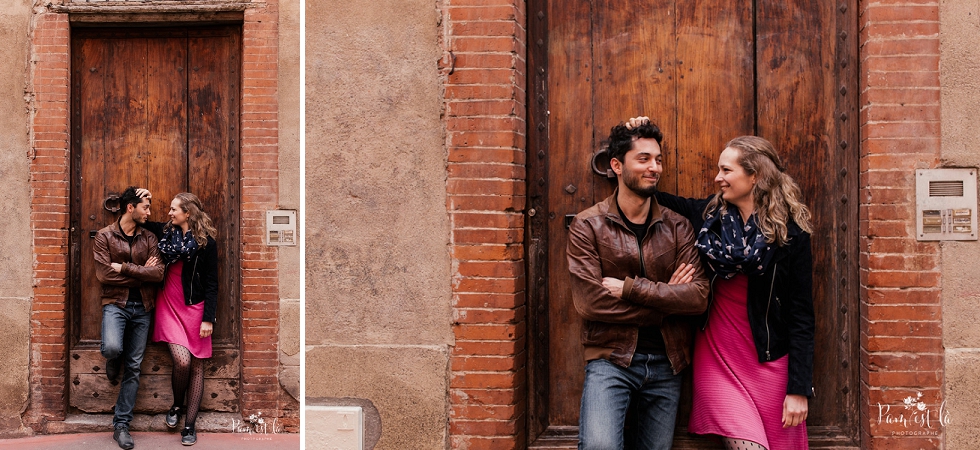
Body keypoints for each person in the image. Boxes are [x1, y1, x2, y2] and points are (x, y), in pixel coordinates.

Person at [628, 117, 815, 450]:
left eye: (727, 170)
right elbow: (650, 192)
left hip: (769, 361)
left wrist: (799, 388)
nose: (718, 178)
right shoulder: (708, 217)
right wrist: (636, 135)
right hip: (718, 358)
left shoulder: (791, 235)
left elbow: (801, 315)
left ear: (754, 175)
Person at [566, 120, 710, 450]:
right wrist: (667, 302)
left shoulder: (678, 227)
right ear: (617, 165)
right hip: (610, 360)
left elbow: (698, 297)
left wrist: (631, 289)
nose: (654, 167)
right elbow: (591, 302)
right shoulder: (589, 225)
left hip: (668, 363)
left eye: (658, 159)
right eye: (643, 159)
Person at [138, 190, 219, 447]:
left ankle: (189, 424)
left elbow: (212, 283)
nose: (169, 213)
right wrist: (141, 194)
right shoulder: (165, 232)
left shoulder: (206, 242)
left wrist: (209, 319)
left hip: (195, 308)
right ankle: (176, 405)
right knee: (182, 361)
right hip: (169, 305)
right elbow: (135, 217)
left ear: (188, 213)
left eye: (174, 209)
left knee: (197, 365)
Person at [94, 186, 166, 450]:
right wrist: (140, 272)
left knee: (133, 368)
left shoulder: (149, 237)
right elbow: (104, 275)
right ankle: (114, 357)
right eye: (146, 207)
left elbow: (158, 274)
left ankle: (121, 425)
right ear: (130, 208)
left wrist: (124, 267)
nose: (149, 212)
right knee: (113, 347)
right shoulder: (104, 236)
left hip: (143, 307)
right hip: (116, 303)